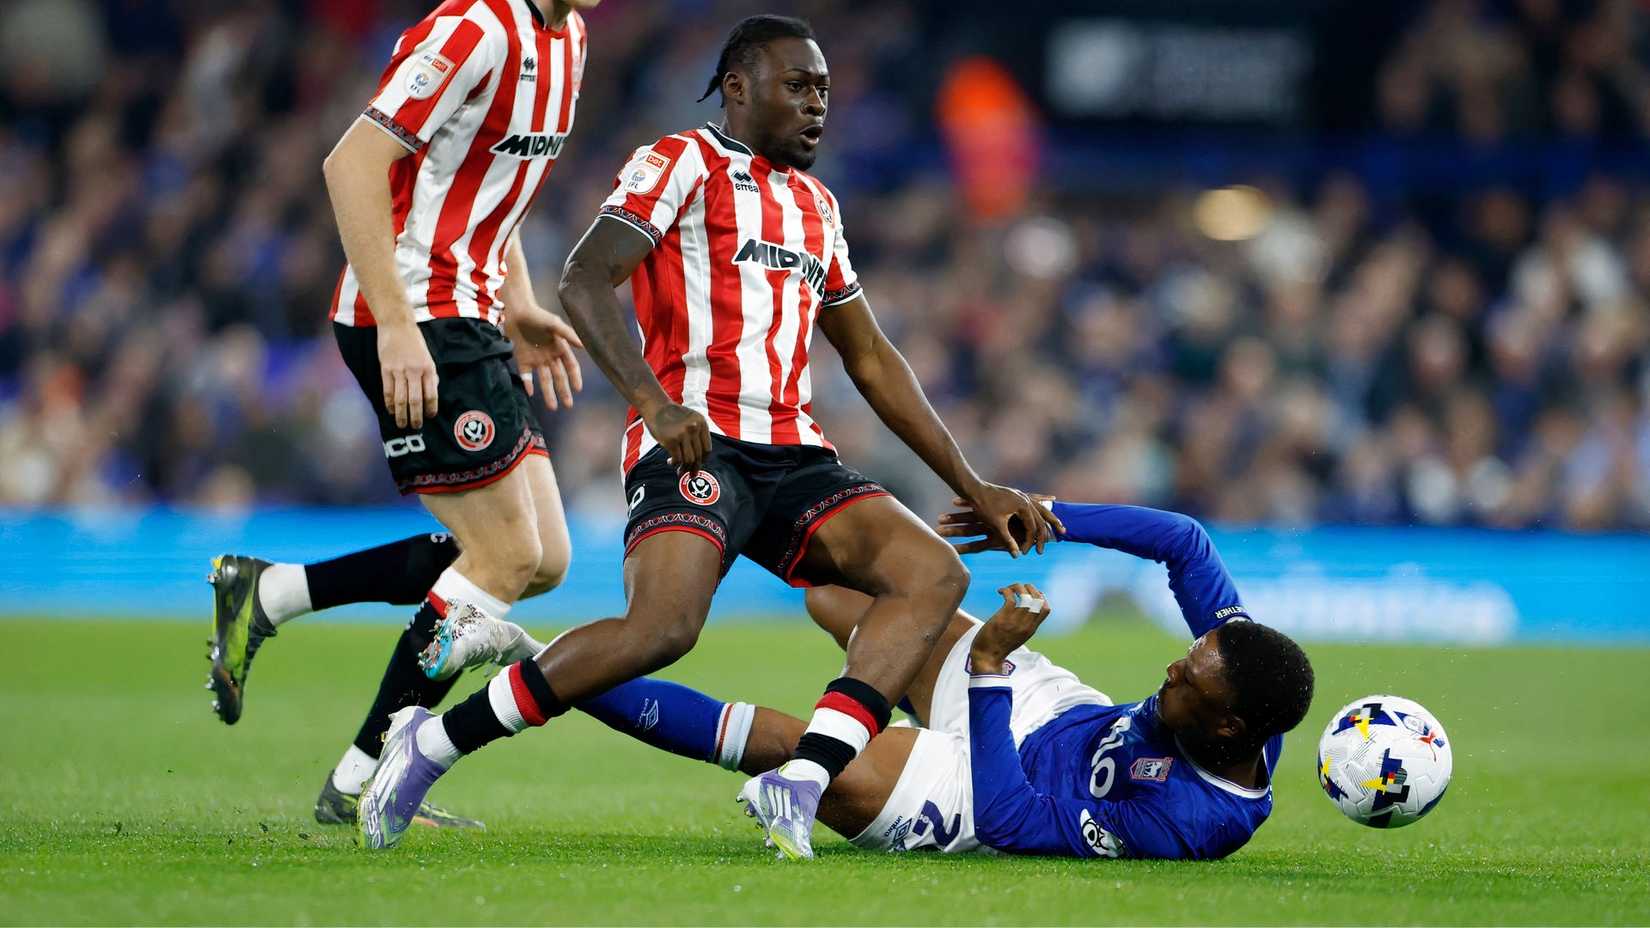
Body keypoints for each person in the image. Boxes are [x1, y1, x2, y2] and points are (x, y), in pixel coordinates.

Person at [354, 15, 1058, 855]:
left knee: (928, 573)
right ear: (738, 87)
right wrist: (652, 403)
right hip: (695, 442)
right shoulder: (680, 162)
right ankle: (429, 744)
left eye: (825, 91)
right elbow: (584, 279)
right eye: (798, 87)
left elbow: (869, 357)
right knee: (663, 631)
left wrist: (972, 484)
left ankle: (804, 778)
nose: (817, 106)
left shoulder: (817, 206)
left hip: (794, 455)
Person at [205, 0, 598, 831]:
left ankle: (267, 593)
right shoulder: (474, 27)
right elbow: (350, 164)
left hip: (474, 313)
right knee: (504, 554)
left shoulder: (570, 37)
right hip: (418, 315)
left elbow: (495, 183)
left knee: (543, 558)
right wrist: (396, 325)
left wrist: (519, 302)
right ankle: (361, 780)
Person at [569, 501, 1316, 860]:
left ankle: (535, 663)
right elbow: (1185, 543)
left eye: (1188, 680)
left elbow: (1013, 822)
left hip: (990, 792)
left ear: (1227, 727)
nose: (1172, 668)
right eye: (1188, 656)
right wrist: (1045, 517)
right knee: (846, 595)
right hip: (1053, 709)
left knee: (811, 758)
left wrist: (988, 666)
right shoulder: (1245, 676)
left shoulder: (1193, 822)